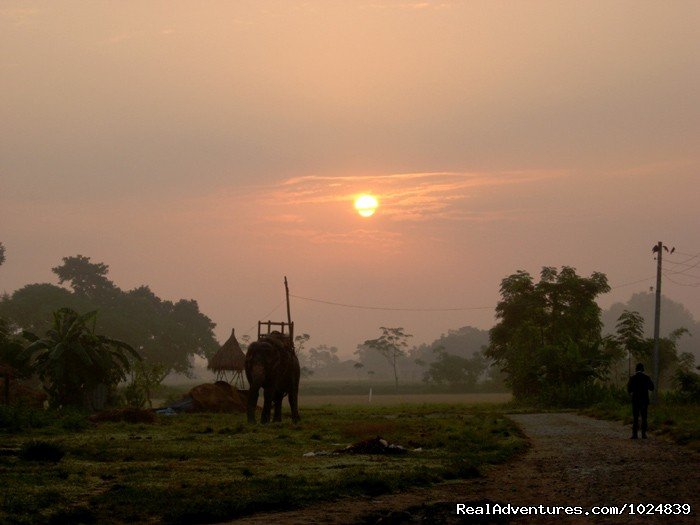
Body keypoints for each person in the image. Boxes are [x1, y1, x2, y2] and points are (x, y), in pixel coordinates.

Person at [627, 362, 654, 439]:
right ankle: (643, 434)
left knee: (635, 417)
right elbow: (652, 388)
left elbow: (629, 389)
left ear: (636, 369)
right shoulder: (646, 377)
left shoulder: (632, 378)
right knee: (644, 417)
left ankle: (634, 434)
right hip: (644, 400)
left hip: (635, 400)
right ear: (643, 369)